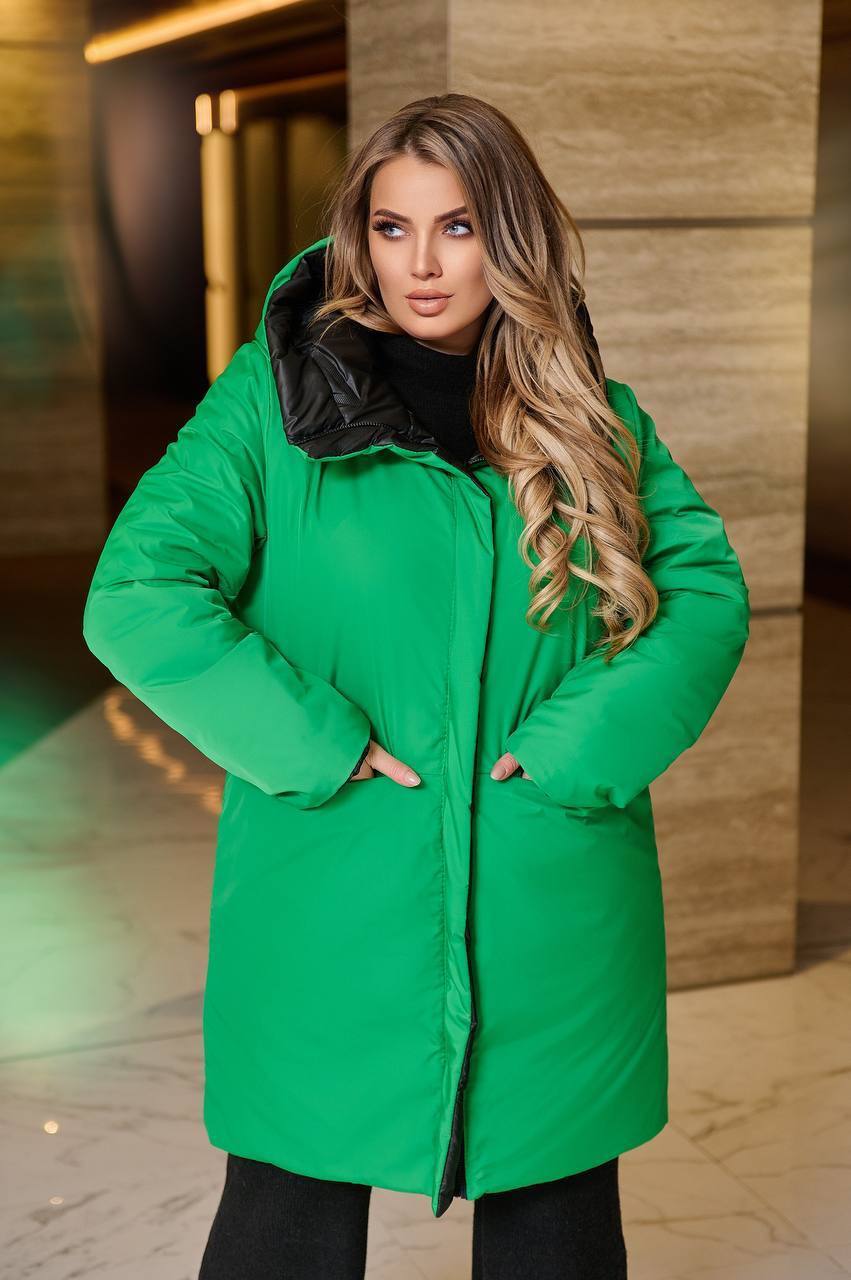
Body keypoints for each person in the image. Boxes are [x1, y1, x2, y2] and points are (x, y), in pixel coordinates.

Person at [82, 93, 751, 1278]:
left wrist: (578, 748)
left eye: (457, 227)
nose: (421, 265)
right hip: (330, 878)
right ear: (359, 237)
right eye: (392, 229)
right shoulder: (273, 402)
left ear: (510, 237)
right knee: (287, 1204)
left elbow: (702, 589)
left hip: (547, 881)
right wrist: (315, 741)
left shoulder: (589, 412)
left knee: (553, 1205)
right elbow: (136, 589)